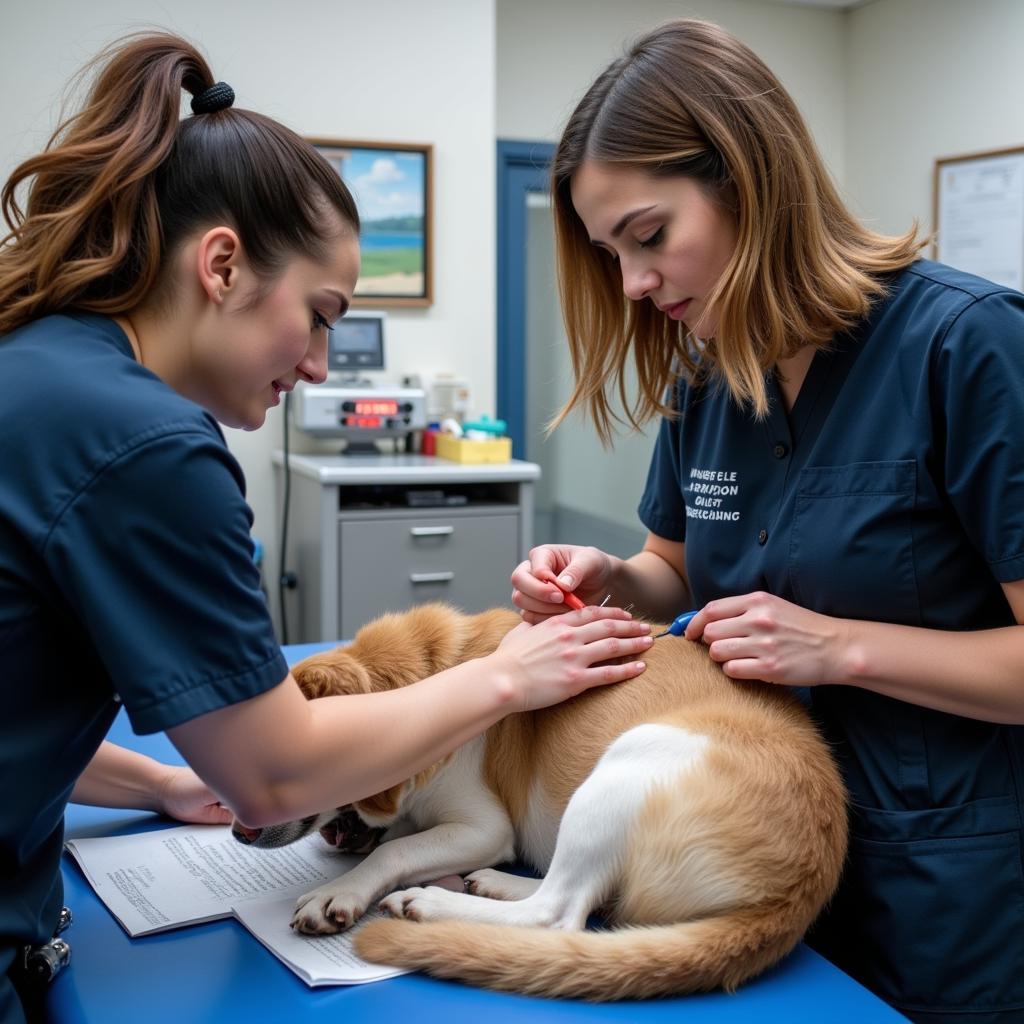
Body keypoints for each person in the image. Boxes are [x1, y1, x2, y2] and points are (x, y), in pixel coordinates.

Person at [0, 33, 655, 1024]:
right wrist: (508, 675)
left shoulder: (39, 363)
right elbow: (274, 775)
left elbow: (20, 695)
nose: (317, 364)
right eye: (319, 315)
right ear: (221, 264)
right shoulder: (147, 445)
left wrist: (163, 785)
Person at [510, 18, 1024, 1024]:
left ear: (748, 179)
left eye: (650, 237)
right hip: (744, 860)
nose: (634, 284)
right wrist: (611, 579)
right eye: (612, 253)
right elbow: (674, 569)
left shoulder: (968, 348)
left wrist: (842, 648)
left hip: (938, 886)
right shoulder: (708, 375)